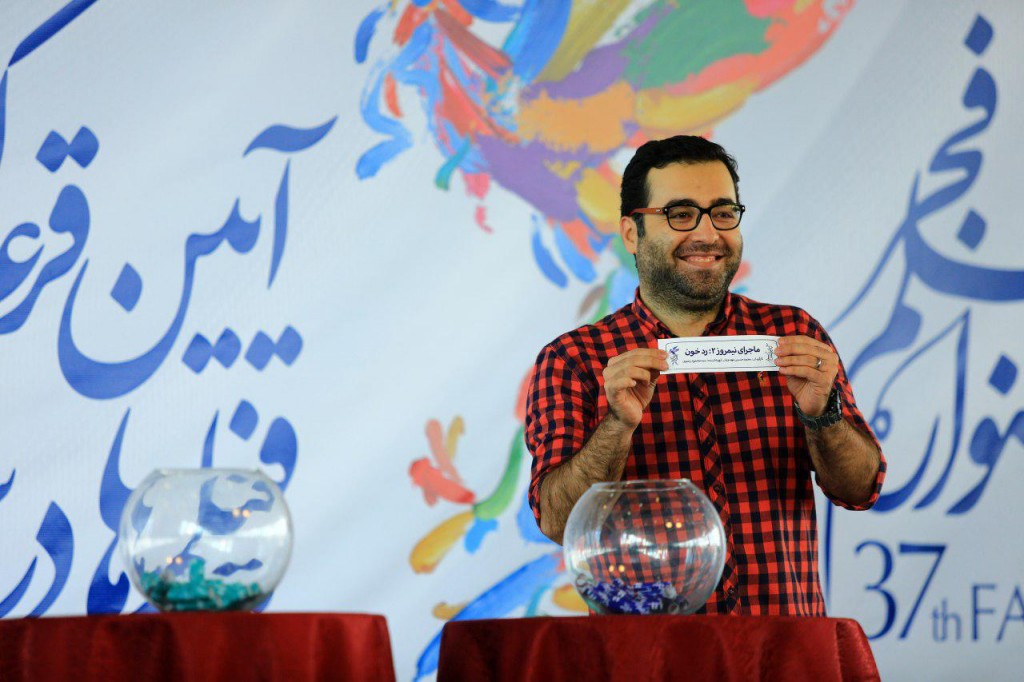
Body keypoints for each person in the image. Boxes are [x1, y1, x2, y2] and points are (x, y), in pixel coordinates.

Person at [524, 135, 886, 615]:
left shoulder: (791, 335)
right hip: (650, 651)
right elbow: (558, 521)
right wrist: (617, 425)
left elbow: (861, 488)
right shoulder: (575, 359)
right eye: (680, 214)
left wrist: (823, 415)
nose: (708, 233)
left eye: (723, 212)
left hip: (783, 646)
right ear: (632, 233)